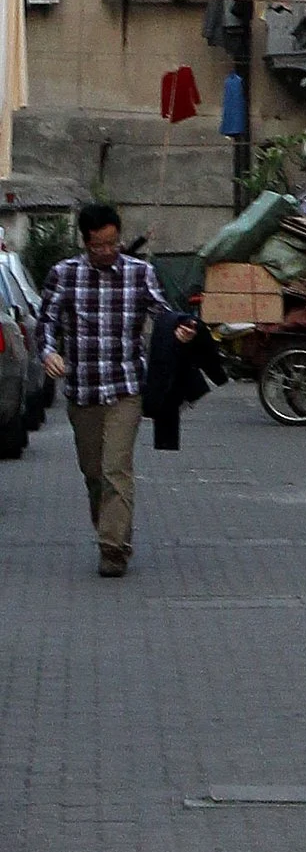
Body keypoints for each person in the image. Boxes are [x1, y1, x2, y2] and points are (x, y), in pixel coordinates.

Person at [39, 201, 180, 577]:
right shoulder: (63, 275)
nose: (105, 251)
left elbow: (162, 313)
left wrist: (179, 329)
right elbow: (47, 321)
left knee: (117, 468)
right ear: (85, 242)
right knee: (94, 473)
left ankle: (113, 548)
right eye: (97, 245)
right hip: (83, 390)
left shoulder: (139, 273)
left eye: (112, 243)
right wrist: (49, 352)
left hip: (125, 388)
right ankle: (113, 533)